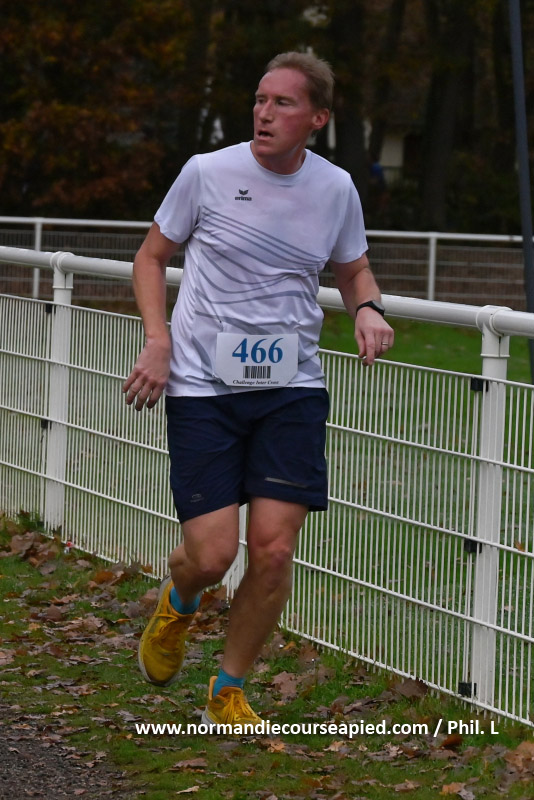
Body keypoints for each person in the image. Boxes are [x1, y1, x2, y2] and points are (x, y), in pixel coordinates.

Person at [123, 51, 394, 731]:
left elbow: (354, 270)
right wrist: (158, 339)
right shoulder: (207, 173)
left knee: (272, 551)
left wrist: (367, 308)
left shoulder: (335, 188)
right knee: (213, 556)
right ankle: (179, 601)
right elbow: (151, 257)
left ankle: (228, 692)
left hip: (290, 387)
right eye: (259, 100)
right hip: (202, 387)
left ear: (317, 118)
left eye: (282, 103)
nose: (264, 113)